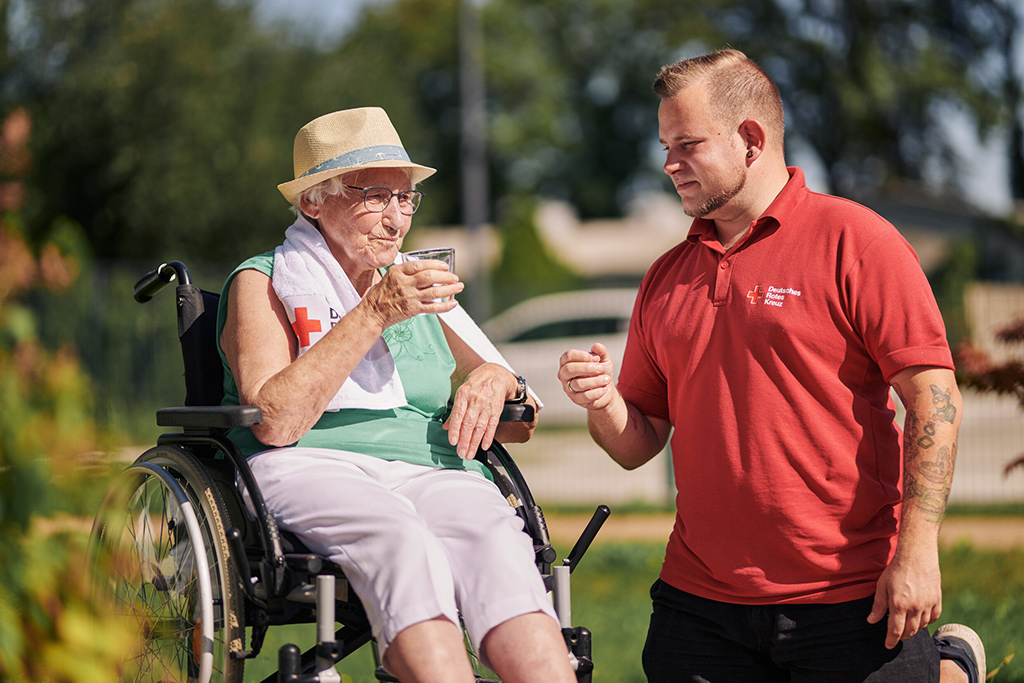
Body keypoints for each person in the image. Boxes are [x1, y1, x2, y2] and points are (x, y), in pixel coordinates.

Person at [557, 49, 986, 683]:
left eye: (687, 144)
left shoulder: (856, 241)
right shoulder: (665, 277)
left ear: (751, 140)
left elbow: (934, 400)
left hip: (850, 594)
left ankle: (949, 671)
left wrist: (918, 553)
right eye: (665, 145)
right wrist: (603, 404)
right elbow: (635, 445)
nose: (669, 164)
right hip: (699, 602)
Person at [217, 107, 575, 683]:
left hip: (430, 467)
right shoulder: (263, 280)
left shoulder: (415, 280)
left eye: (406, 199)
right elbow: (276, 423)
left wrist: (495, 379)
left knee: (494, 538)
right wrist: (375, 312)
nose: (396, 219)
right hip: (310, 462)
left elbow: (517, 420)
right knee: (401, 540)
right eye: (375, 196)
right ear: (313, 200)